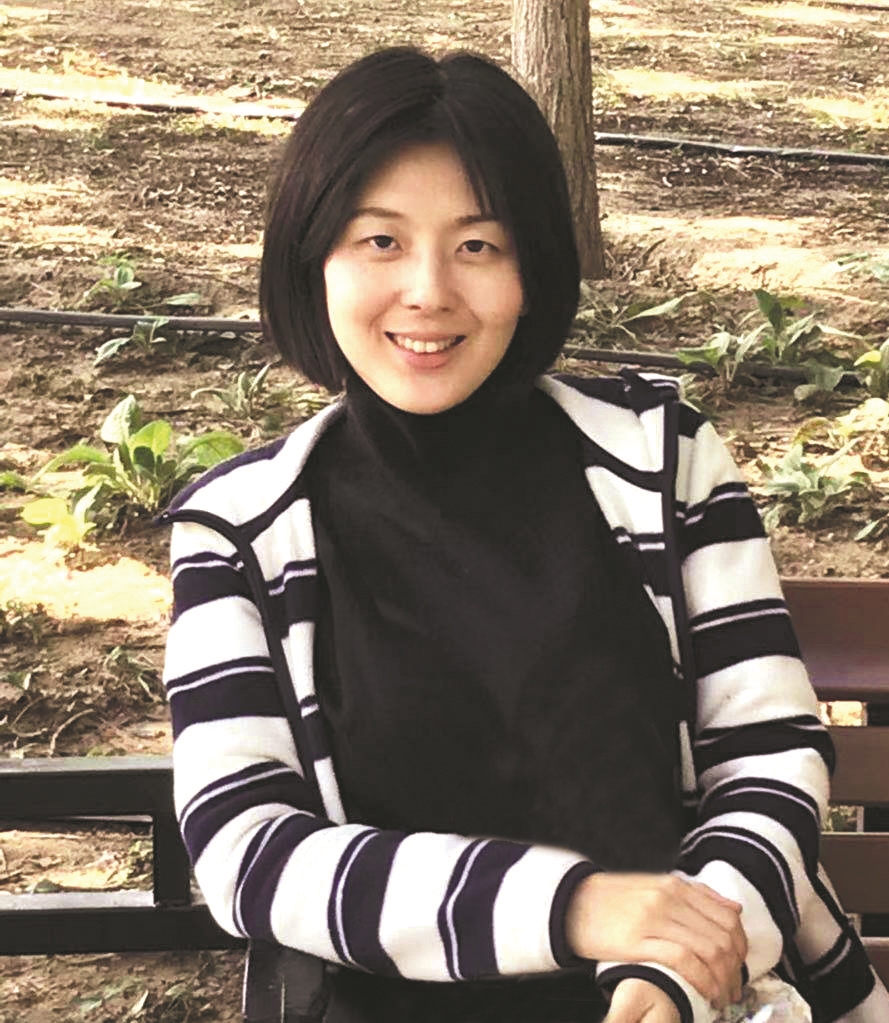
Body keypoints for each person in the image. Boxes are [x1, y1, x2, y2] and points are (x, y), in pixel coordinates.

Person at [160, 47, 888, 1023]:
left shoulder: (661, 458)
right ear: (312, 257)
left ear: (532, 267)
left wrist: (680, 964)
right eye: (380, 241)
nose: (428, 290)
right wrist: (581, 909)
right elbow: (246, 847)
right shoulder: (240, 528)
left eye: (478, 245)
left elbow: (767, 753)